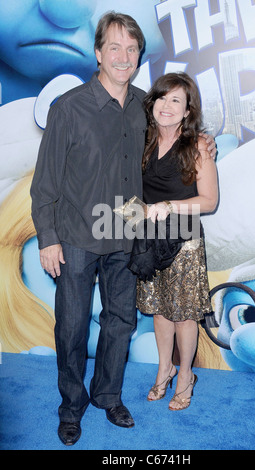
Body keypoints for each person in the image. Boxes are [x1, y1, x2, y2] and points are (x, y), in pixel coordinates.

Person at [30, 12, 216, 445]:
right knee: (72, 327)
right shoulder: (68, 108)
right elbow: (46, 183)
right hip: (75, 237)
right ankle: (71, 407)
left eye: (132, 49)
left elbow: (177, 132)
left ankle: (108, 395)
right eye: (114, 47)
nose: (123, 56)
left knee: (121, 322)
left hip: (127, 236)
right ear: (98, 53)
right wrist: (48, 238)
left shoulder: (143, 108)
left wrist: (204, 142)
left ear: (137, 59)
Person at [136, 72, 219, 411]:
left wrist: (171, 206)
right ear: (151, 102)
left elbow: (209, 201)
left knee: (185, 315)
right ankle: (164, 368)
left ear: (187, 111)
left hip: (185, 243)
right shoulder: (141, 140)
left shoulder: (198, 144)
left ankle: (185, 375)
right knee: (158, 312)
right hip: (150, 242)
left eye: (176, 100)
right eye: (161, 98)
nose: (166, 106)